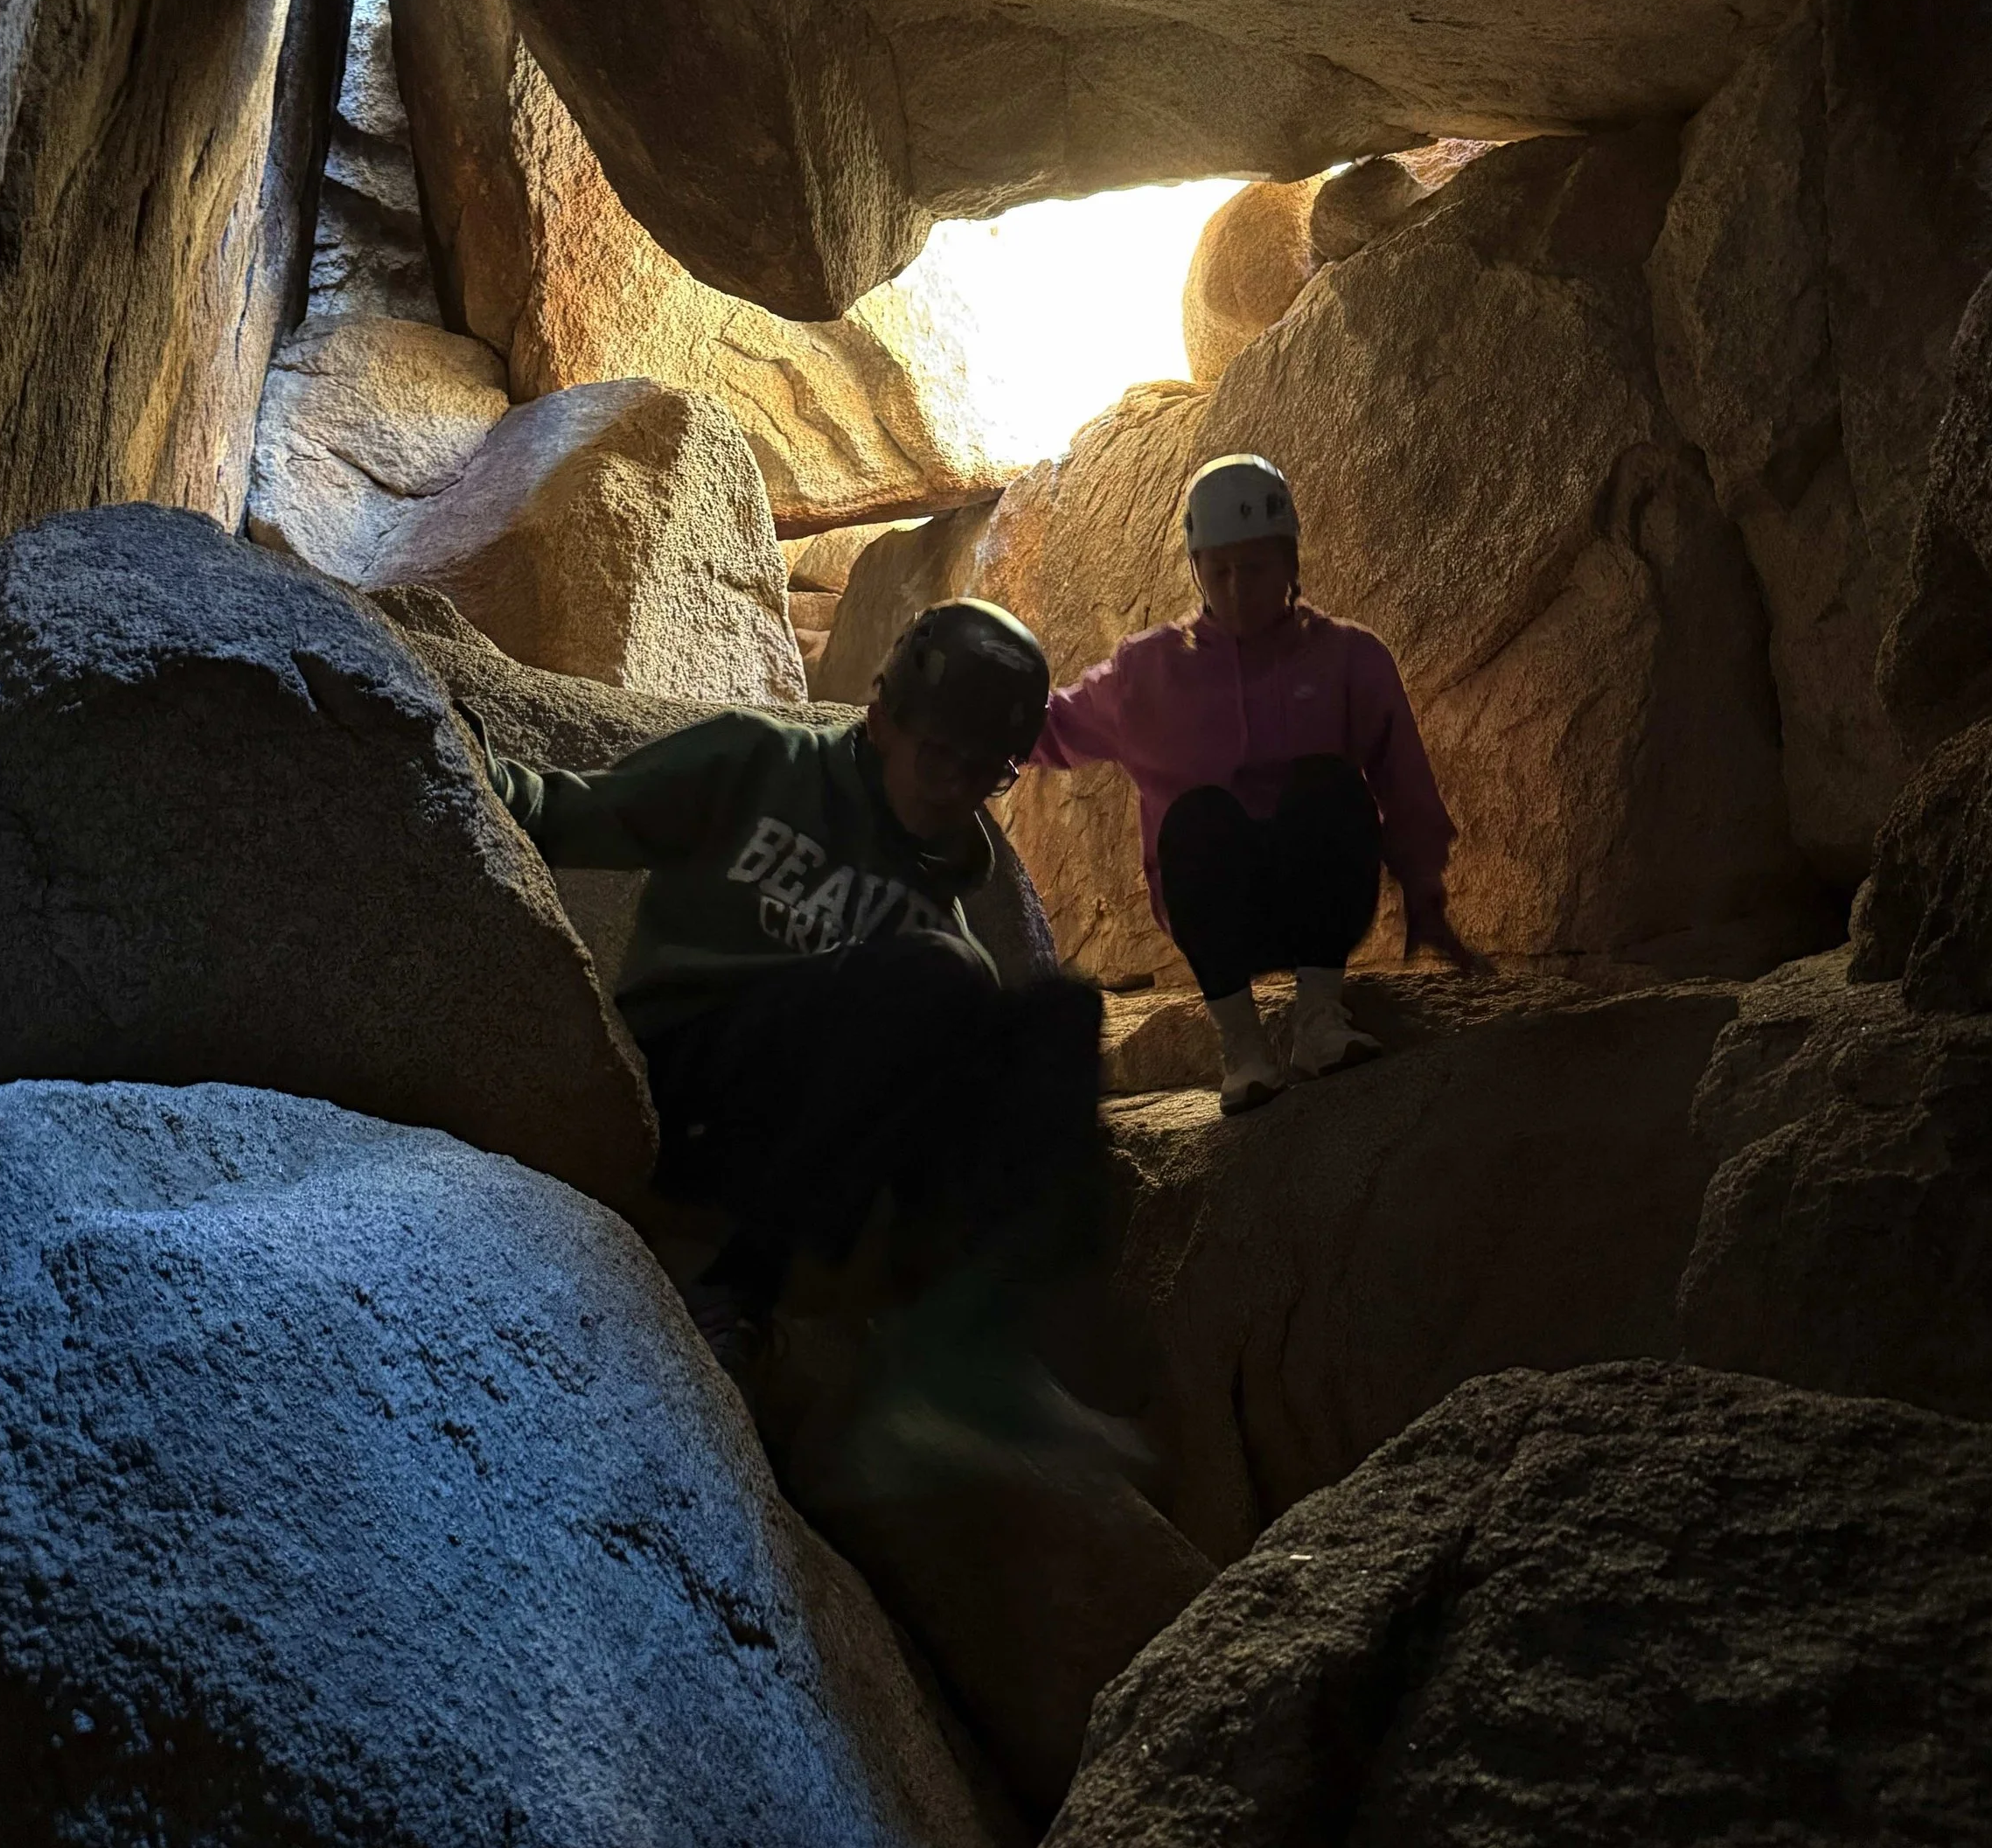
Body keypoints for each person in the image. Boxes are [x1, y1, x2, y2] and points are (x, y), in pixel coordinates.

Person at [480, 600, 1107, 1329]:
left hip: (800, 1145)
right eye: (939, 755)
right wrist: (454, 753)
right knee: (944, 977)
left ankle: (971, 1360)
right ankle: (738, 1291)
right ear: (883, 718)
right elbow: (569, 811)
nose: (955, 789)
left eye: (983, 772)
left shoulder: (947, 941)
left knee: (1064, 1018)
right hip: (680, 1086)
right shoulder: (756, 764)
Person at [1031, 453, 1479, 1115]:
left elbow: (1403, 778)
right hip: (1217, 917)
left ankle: (1319, 1021)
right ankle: (1242, 1046)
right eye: (1222, 570)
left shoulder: (1349, 658)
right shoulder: (1147, 671)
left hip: (1319, 900)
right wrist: (960, 718)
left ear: (1292, 561)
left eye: (1257, 568)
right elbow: (1053, 726)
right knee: (1198, 817)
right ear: (1198, 570)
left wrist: (1425, 890)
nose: (1239, 588)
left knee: (1329, 785)